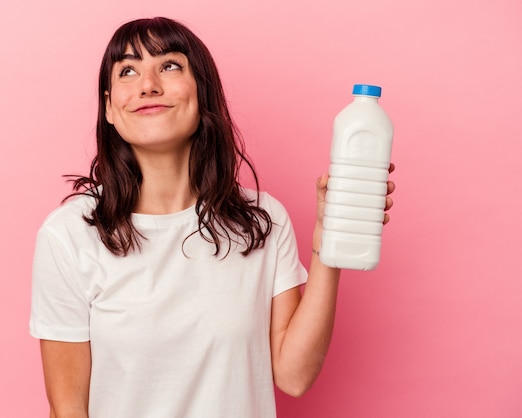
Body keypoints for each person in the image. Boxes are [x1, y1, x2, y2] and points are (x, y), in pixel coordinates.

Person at [29, 16, 395, 418]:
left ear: (203, 93)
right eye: (128, 70)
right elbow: (68, 410)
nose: (147, 84)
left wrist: (330, 241)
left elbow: (294, 375)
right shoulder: (69, 235)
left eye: (169, 65)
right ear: (110, 109)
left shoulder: (261, 221)